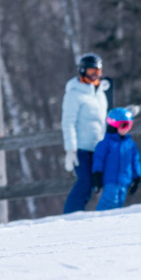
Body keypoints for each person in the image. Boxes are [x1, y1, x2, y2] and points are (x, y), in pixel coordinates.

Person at [61, 53, 111, 213]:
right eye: (91, 71)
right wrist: (71, 149)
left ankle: (81, 214)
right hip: (81, 148)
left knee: (96, 183)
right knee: (85, 181)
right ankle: (71, 213)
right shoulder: (74, 94)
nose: (95, 75)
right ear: (83, 71)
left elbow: (103, 120)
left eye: (98, 71)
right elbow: (68, 122)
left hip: (98, 147)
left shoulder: (100, 94)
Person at [93, 108, 141, 210]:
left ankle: (114, 223)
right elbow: (98, 159)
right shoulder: (106, 144)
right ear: (113, 125)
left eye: (129, 125)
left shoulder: (130, 144)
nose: (126, 129)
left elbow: (135, 161)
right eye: (123, 125)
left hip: (124, 181)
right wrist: (97, 174)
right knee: (110, 201)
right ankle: (100, 219)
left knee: (119, 203)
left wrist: (137, 177)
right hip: (111, 180)